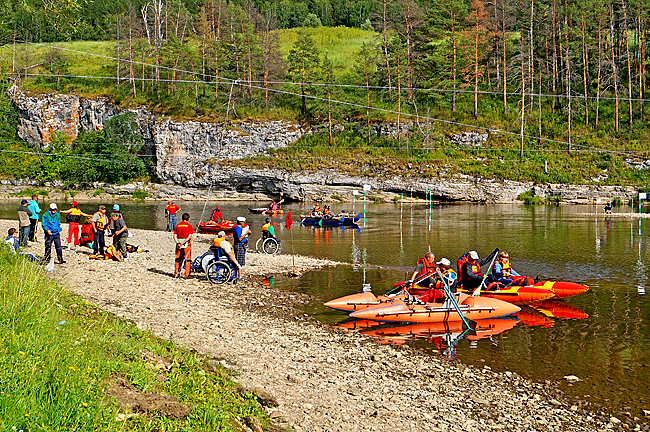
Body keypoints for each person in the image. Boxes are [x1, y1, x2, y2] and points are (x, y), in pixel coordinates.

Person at [173, 213, 193, 278]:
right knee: (187, 259)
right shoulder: (189, 226)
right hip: (186, 245)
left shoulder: (177, 226)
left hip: (178, 244)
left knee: (178, 259)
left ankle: (176, 273)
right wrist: (183, 242)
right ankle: (186, 274)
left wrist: (178, 243)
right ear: (188, 219)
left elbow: (174, 236)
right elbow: (189, 237)